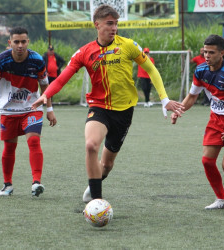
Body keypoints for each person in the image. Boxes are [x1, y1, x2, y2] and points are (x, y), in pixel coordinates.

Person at [32, 4, 184, 203]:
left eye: (116, 24)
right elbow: (62, 78)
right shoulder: (84, 52)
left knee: (107, 164)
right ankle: (97, 201)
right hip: (99, 107)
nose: (114, 28)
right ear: (97, 25)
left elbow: (152, 69)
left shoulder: (128, 45)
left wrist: (164, 99)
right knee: (90, 145)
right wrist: (47, 94)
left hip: (124, 111)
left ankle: (96, 182)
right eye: (109, 24)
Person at [171, 34, 224, 210]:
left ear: (222, 53)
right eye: (205, 52)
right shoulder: (201, 71)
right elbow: (193, 95)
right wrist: (180, 110)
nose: (207, 56)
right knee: (207, 161)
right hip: (216, 120)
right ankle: (222, 200)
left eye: (211, 52)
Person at [0, 27, 57, 197]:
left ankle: (36, 183)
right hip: (8, 111)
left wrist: (50, 109)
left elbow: (45, 86)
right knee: (10, 147)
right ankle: (7, 185)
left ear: (28, 42)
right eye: (16, 42)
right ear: (9, 43)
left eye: (23, 41)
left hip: (32, 108)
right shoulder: (0, 61)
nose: (20, 45)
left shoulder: (37, 60)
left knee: (33, 142)